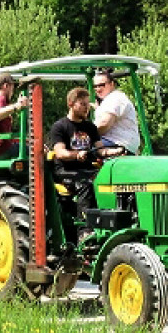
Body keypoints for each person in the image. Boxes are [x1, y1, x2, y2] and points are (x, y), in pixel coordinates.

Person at [50, 87, 101, 230]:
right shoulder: (60, 127)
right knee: (86, 184)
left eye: (87, 104)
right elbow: (60, 153)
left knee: (108, 180)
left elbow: (100, 149)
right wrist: (77, 155)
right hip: (65, 171)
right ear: (71, 104)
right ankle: (84, 231)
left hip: (87, 169)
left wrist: (115, 151)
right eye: (82, 104)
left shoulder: (90, 127)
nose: (86, 108)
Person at [91, 71, 140, 155]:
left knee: (79, 148)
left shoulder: (115, 98)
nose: (98, 89)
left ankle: (115, 152)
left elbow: (104, 124)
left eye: (101, 85)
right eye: (95, 86)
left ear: (112, 84)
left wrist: (86, 134)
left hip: (117, 142)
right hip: (116, 141)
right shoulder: (108, 101)